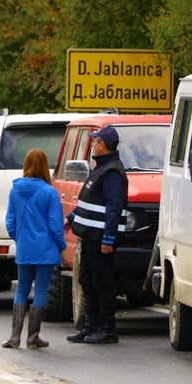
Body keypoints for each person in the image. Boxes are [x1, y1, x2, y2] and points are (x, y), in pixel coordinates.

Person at [65, 126, 128, 344]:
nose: (92, 143)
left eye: (94, 140)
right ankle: (89, 327)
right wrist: (71, 218)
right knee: (87, 281)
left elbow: (113, 207)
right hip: (89, 236)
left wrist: (108, 239)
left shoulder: (112, 172)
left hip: (100, 238)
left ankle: (107, 329)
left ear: (102, 145)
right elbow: (89, 203)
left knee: (102, 283)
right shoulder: (99, 168)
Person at [2, 148, 66, 349]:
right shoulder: (49, 192)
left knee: (21, 289)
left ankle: (14, 337)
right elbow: (56, 225)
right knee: (40, 291)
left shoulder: (15, 190)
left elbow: (10, 221)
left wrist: (19, 238)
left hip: (25, 248)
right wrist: (61, 245)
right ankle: (33, 337)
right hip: (46, 249)